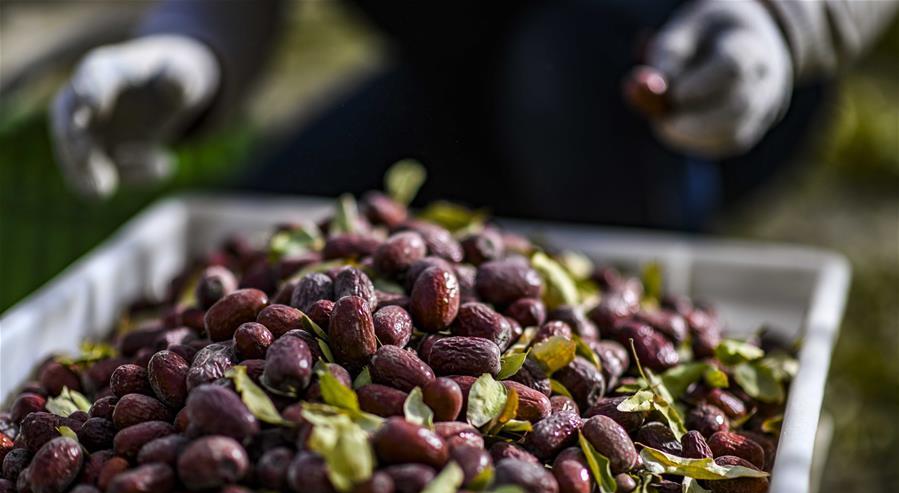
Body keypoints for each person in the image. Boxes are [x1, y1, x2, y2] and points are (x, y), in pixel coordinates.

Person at [51, 0, 898, 230]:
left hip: (686, 83)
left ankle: (648, 290)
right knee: (259, 239)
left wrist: (780, 22)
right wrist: (191, 55)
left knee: (564, 64)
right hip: (463, 95)